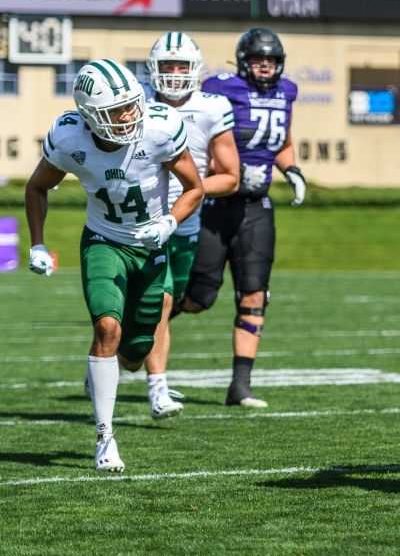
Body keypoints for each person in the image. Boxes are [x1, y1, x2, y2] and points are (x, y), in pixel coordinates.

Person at [24, 59, 203, 472]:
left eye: (131, 105)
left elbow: (195, 186)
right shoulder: (70, 138)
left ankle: (100, 369)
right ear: (90, 115)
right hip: (104, 242)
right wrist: (38, 244)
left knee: (135, 353)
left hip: (150, 245)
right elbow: (37, 187)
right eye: (117, 110)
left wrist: (169, 222)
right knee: (107, 327)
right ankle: (105, 438)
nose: (129, 115)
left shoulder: (160, 127)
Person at [181, 28, 306, 408]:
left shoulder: (287, 92)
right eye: (257, 60)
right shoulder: (222, 88)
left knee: (254, 294)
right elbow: (203, 134)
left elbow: (281, 140)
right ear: (243, 61)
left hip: (256, 207)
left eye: (270, 60)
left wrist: (293, 170)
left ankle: (240, 386)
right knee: (199, 297)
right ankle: (140, 347)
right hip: (217, 204)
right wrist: (222, 168)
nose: (264, 66)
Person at [142, 32, 240, 418]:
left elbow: (231, 176)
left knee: (173, 300)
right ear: (154, 69)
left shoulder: (212, 107)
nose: (176, 73)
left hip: (186, 224)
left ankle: (112, 355)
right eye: (168, 65)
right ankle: (158, 388)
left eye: (183, 65)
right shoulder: (138, 106)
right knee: (161, 303)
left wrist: (191, 190)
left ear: (196, 69)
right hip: (145, 221)